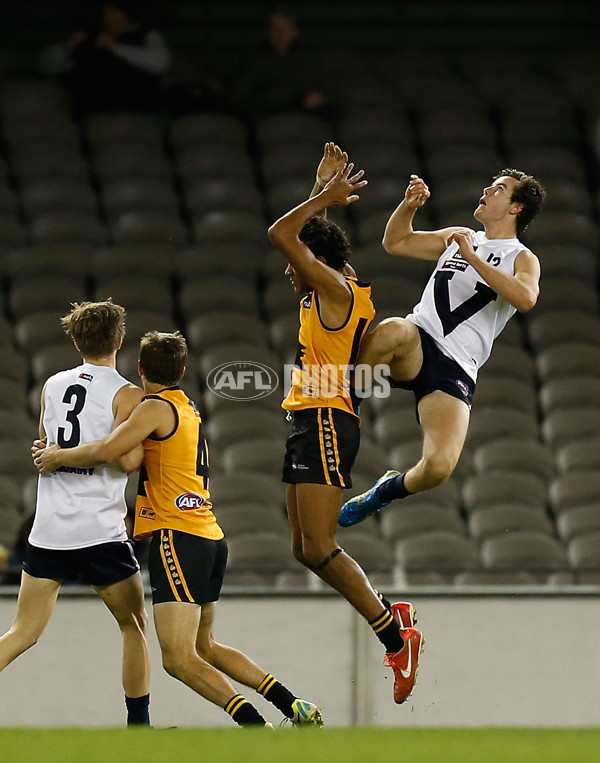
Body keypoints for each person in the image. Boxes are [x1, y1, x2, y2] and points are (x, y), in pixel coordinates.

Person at [33, 330, 322, 728]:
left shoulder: (152, 409)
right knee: (206, 645)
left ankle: (256, 727)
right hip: (209, 537)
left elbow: (109, 452)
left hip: (178, 537)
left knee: (178, 659)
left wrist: (56, 456)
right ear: (183, 371)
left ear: (139, 369)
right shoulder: (186, 406)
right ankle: (293, 705)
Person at [266, 144, 424, 706]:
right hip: (309, 421)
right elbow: (315, 244)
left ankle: (395, 635)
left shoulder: (332, 289)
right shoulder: (335, 281)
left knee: (322, 544)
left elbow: (281, 236)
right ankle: (391, 618)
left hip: (328, 420)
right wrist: (321, 192)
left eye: (298, 263)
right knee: (304, 550)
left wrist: (319, 202)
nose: (289, 269)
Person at [339, 170, 546, 527]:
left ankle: (383, 492)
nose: (486, 189)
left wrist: (475, 259)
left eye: (498, 189)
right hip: (420, 339)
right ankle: (342, 410)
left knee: (437, 468)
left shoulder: (521, 257)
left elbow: (526, 298)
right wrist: (407, 207)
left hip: (457, 366)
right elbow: (397, 242)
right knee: (392, 331)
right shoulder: (458, 236)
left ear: (516, 208)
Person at [0, 299, 151, 726]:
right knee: (133, 625)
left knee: (22, 632)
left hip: (48, 529)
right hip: (99, 529)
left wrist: (59, 454)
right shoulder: (127, 394)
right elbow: (127, 461)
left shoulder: (52, 384)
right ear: (119, 340)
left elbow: (45, 446)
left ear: (76, 340)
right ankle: (139, 727)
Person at [38, 1, 170, 116]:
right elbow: (46, 66)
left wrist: (115, 47)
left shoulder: (147, 35)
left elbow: (160, 62)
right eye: (104, 13)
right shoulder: (89, 38)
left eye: (113, 12)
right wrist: (67, 47)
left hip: (138, 109)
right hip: (95, 111)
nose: (107, 17)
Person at [231, 7, 327, 122]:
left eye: (285, 28)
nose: (280, 34)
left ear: (295, 31)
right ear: (268, 32)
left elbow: (331, 93)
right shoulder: (255, 62)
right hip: (267, 122)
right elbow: (238, 99)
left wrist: (320, 99)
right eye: (275, 29)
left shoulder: (311, 61)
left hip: (306, 121)